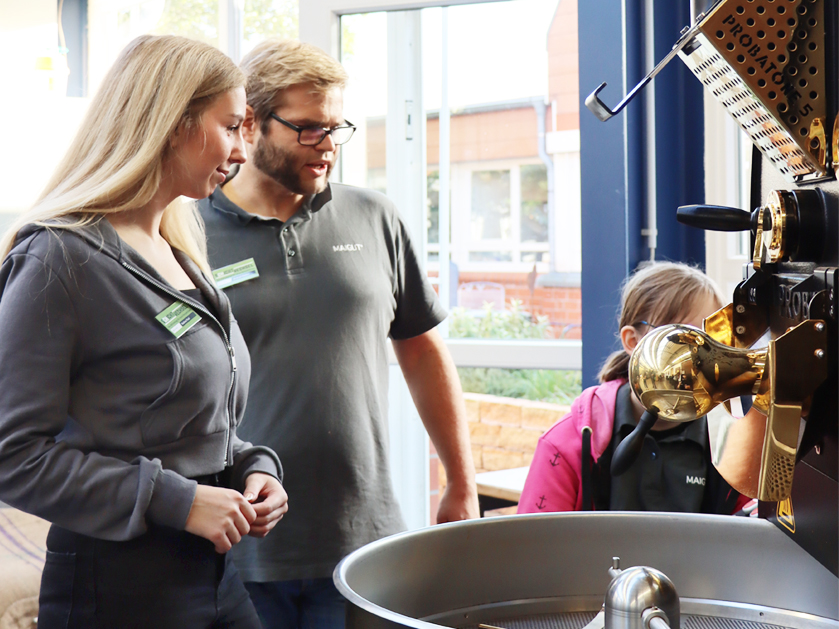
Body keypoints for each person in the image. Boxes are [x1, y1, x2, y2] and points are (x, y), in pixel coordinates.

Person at [0, 35, 289, 628]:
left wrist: (252, 467)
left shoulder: (179, 251)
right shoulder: (59, 257)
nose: (241, 150)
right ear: (173, 122)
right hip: (115, 586)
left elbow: (178, 427)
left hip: (214, 576)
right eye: (230, 126)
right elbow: (13, 456)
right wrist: (179, 502)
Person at [197, 39, 479, 628]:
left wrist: (460, 479)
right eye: (307, 129)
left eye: (336, 128)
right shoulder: (187, 230)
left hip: (363, 539)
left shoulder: (374, 217)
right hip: (237, 542)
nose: (328, 147)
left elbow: (423, 350)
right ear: (250, 122)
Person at [518, 261, 751, 515]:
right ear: (632, 341)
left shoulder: (730, 442)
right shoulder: (568, 443)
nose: (697, 358)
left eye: (710, 342)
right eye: (680, 339)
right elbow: (535, 547)